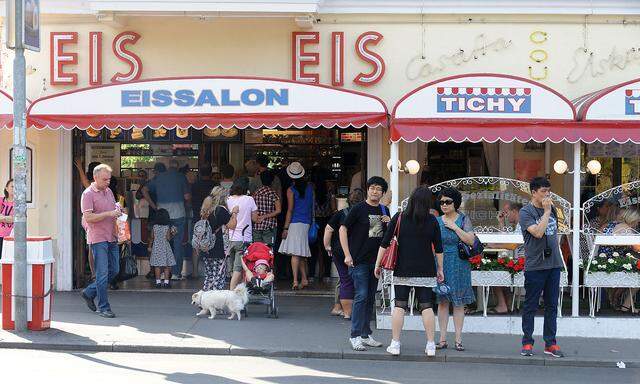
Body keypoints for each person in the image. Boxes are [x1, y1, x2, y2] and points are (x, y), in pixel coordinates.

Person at [374, 186, 444, 356]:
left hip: (402, 267)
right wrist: (440, 268)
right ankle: (430, 345)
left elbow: (385, 242)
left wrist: (377, 264)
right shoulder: (432, 220)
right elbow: (439, 248)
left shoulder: (399, 217)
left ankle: (395, 344)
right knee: (427, 306)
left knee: (399, 305)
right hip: (426, 269)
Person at [339, 176, 390, 351]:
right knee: (360, 296)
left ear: (383, 193)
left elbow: (382, 237)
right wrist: (347, 254)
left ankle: (365, 334)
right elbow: (343, 228)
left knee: (369, 298)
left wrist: (389, 224)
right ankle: (354, 335)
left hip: (375, 261)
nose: (375, 191)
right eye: (372, 188)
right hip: (358, 260)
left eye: (379, 189)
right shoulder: (358, 209)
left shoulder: (384, 210)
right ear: (367, 190)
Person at [519, 177, 565, 358]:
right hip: (535, 265)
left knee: (552, 305)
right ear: (534, 192)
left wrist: (548, 211)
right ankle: (527, 342)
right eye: (543, 191)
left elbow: (554, 232)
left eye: (549, 191)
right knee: (531, 305)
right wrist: (546, 212)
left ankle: (550, 343)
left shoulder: (552, 209)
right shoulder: (526, 212)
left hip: (553, 263)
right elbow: (538, 233)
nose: (547, 195)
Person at [435, 187, 476, 352]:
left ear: (455, 203)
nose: (444, 205)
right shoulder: (437, 221)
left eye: (447, 202)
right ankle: (442, 339)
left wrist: (454, 227)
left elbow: (471, 241)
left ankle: (458, 340)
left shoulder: (464, 219)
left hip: (459, 263)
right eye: (441, 202)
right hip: (441, 262)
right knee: (443, 301)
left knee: (458, 303)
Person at [80, 164, 122, 318]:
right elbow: (88, 217)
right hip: (98, 238)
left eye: (109, 179)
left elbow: (112, 210)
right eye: (105, 179)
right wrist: (109, 213)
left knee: (115, 270)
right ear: (95, 177)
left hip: (111, 235)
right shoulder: (88, 194)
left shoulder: (109, 191)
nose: (108, 182)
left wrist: (118, 211)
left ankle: (89, 292)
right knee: (102, 273)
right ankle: (104, 307)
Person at [143, 160, 191, 280]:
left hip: (162, 216)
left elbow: (144, 190)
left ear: (168, 167)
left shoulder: (158, 178)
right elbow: (187, 197)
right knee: (178, 244)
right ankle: (175, 273)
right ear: (178, 166)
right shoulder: (181, 177)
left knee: (162, 243)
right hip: (179, 214)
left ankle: (163, 273)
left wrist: (154, 206)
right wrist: (187, 206)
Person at [324, 188, 364, 320]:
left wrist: (327, 245)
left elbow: (329, 229)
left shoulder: (340, 213)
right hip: (358, 251)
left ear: (348, 201)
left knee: (345, 280)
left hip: (339, 251)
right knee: (359, 281)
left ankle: (346, 312)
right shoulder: (364, 214)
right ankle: (354, 311)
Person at [279, 162, 315, 290]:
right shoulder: (310, 187)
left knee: (295, 253)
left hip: (295, 222)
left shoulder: (291, 190)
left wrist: (285, 228)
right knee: (301, 253)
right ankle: (304, 279)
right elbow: (312, 207)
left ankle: (295, 281)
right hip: (307, 223)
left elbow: (290, 210)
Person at [200, 186, 238, 291]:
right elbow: (232, 225)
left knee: (209, 275)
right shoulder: (220, 210)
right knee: (218, 276)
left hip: (206, 246)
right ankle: (215, 301)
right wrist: (234, 213)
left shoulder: (206, 209)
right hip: (218, 247)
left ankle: (205, 299)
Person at [491, 201, 524, 314]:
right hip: (521, 262)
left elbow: (512, 245)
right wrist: (501, 222)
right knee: (501, 268)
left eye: (506, 212)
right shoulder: (520, 224)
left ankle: (502, 305)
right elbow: (507, 240)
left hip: (525, 264)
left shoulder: (522, 224)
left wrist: (493, 245)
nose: (505, 215)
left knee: (493, 271)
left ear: (514, 211)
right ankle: (508, 304)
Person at [227, 181, 258, 289]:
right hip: (244, 238)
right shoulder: (249, 199)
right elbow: (255, 218)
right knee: (239, 269)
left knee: (233, 268)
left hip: (230, 237)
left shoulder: (228, 199)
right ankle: (231, 292)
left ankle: (238, 291)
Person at [190, 164, 218, 278]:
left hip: (198, 217)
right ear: (211, 173)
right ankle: (211, 271)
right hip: (212, 217)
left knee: (196, 243)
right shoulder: (214, 185)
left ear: (200, 173)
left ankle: (195, 272)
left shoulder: (195, 185)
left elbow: (190, 199)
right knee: (211, 242)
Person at [149, 209, 177, 289]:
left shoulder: (154, 227)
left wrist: (149, 246)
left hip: (156, 247)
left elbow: (152, 237)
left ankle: (158, 283)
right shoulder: (167, 227)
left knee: (157, 266)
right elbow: (168, 238)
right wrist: (173, 234)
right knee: (166, 266)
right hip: (165, 248)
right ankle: (166, 283)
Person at [252, 170, 281, 248]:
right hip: (269, 226)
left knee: (257, 250)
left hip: (257, 225)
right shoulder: (273, 193)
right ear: (272, 180)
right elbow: (278, 210)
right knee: (268, 250)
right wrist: (265, 216)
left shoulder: (255, 193)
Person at [0, 179, 14, 257]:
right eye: (12, 186)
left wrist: (2, 217)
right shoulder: (1, 200)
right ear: (6, 188)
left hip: (11, 237)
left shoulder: (19, 204)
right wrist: (8, 218)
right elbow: (11, 219)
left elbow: (15, 219)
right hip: (0, 236)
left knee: (8, 260)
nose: (14, 189)